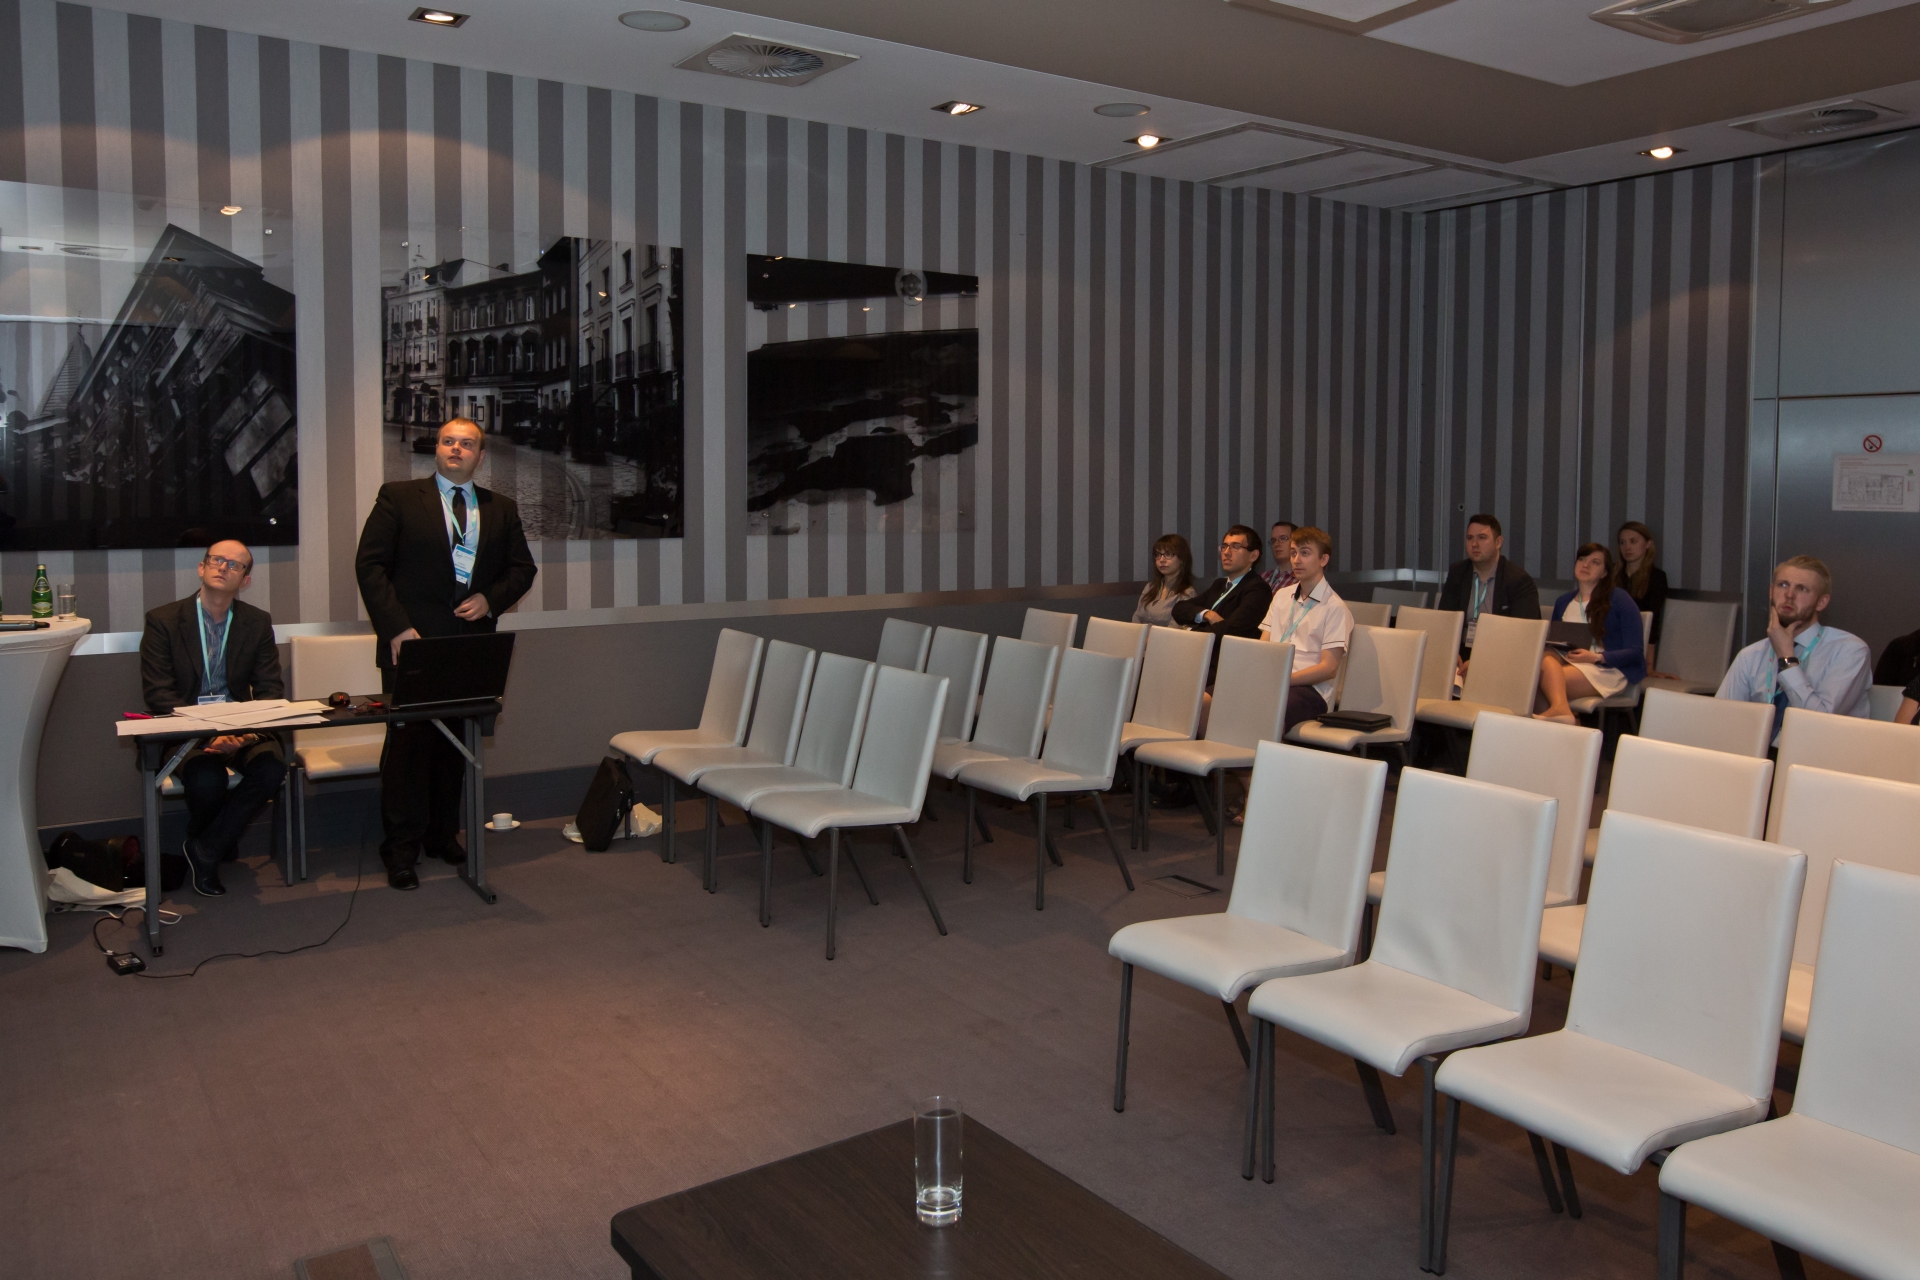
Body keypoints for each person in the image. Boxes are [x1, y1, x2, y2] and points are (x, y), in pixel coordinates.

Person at [355, 418, 537, 890]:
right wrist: (396, 628)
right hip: (411, 646)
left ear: (481, 456)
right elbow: (369, 565)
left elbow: (523, 569)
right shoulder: (398, 497)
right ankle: (401, 849)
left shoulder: (500, 508)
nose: (456, 449)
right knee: (408, 750)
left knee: (456, 746)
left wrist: (490, 600)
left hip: (469, 647)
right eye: (448, 441)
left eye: (467, 443)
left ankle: (442, 835)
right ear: (436, 450)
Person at [138, 540, 288, 897]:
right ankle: (217, 841)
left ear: (245, 580)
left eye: (234, 565)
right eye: (217, 560)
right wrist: (209, 735)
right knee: (207, 779)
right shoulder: (163, 620)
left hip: (241, 727)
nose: (223, 567)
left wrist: (243, 734)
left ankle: (205, 848)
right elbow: (159, 695)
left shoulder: (257, 622)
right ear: (201, 568)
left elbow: (270, 690)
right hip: (187, 732)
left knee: (271, 768)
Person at [1716, 555, 1870, 744]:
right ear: (1771, 591)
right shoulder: (1751, 655)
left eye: (1802, 588)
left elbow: (1821, 724)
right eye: (1783, 585)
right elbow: (1721, 720)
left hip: (1822, 755)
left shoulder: (1850, 650)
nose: (1789, 595)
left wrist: (1786, 658)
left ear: (1821, 602)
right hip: (1757, 755)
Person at [1534, 543, 1646, 724]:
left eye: (1595, 562)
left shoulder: (1620, 599)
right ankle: (1563, 717)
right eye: (1582, 559)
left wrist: (1595, 657)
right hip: (1567, 662)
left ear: (1605, 573)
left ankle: (1562, 718)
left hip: (1605, 668)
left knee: (1537, 682)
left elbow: (1635, 652)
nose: (1585, 565)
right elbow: (1554, 641)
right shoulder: (1563, 601)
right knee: (1542, 661)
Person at [1258, 526, 1353, 733]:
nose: (1296, 560)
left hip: (1310, 690)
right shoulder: (1282, 596)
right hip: (1275, 679)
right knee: (1214, 697)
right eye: (1293, 553)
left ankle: (1260, 754)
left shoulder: (1335, 607)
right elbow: (1263, 646)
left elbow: (1329, 668)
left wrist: (1284, 680)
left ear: (1323, 560)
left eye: (1305, 553)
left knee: (1266, 707)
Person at [1171, 524, 1273, 685]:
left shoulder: (1257, 589)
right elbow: (1179, 609)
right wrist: (1208, 614)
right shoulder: (1219, 585)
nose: (1226, 552)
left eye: (1236, 547)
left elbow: (1231, 630)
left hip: (1228, 666)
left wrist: (1191, 632)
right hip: (1202, 657)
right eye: (1224, 546)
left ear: (1253, 555)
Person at [1436, 514, 1539, 660]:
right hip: (1461, 652)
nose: (1474, 544)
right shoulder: (1457, 573)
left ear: (1498, 542)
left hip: (1500, 655)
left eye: (1482, 538)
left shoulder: (1518, 580)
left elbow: (1525, 635)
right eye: (1470, 538)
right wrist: (1450, 652)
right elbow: (1445, 622)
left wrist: (1480, 660)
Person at [1614, 521, 1669, 649]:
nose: (1627, 547)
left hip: (1637, 640)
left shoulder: (1656, 577)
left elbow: (1653, 620)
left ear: (1647, 544)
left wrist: (1649, 655)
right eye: (1622, 542)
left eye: (1633, 541)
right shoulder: (1612, 573)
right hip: (1609, 637)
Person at [1132, 534, 1197, 627]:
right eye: (1158, 555)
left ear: (1182, 559)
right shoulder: (1150, 587)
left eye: (1168, 554)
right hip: (1139, 635)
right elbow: (1136, 618)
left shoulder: (1187, 594)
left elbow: (1173, 630)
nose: (1162, 559)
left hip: (1165, 636)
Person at [1260, 520, 1298, 594]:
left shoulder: (1302, 580)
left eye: (1283, 538)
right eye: (1273, 540)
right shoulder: (1262, 577)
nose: (1277, 544)